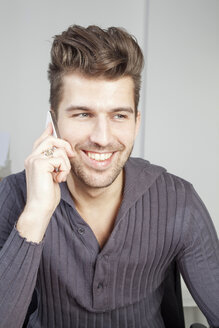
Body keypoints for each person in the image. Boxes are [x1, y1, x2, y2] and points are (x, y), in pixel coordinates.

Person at [0, 24, 218, 328]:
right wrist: (35, 214)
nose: (102, 138)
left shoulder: (179, 200)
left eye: (119, 115)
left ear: (136, 122)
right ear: (52, 122)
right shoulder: (13, 195)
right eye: (83, 114)